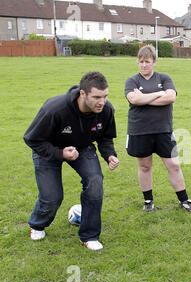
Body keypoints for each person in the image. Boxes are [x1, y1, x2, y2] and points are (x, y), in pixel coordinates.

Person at [24, 71, 120, 251]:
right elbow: (32, 139)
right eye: (97, 97)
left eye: (105, 96)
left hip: (82, 147)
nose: (102, 102)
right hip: (48, 148)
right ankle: (37, 224)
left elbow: (105, 138)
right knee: (52, 197)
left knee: (95, 180)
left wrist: (110, 155)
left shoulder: (106, 110)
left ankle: (89, 235)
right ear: (82, 94)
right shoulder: (55, 109)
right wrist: (60, 154)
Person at [125, 45, 191, 213]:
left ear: (154, 62)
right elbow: (134, 99)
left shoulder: (164, 78)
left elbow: (171, 97)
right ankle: (148, 200)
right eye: (141, 62)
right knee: (144, 166)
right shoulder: (132, 81)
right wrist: (158, 94)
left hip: (163, 130)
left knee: (173, 164)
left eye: (147, 62)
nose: (143, 65)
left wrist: (144, 98)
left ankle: (184, 200)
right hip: (140, 130)